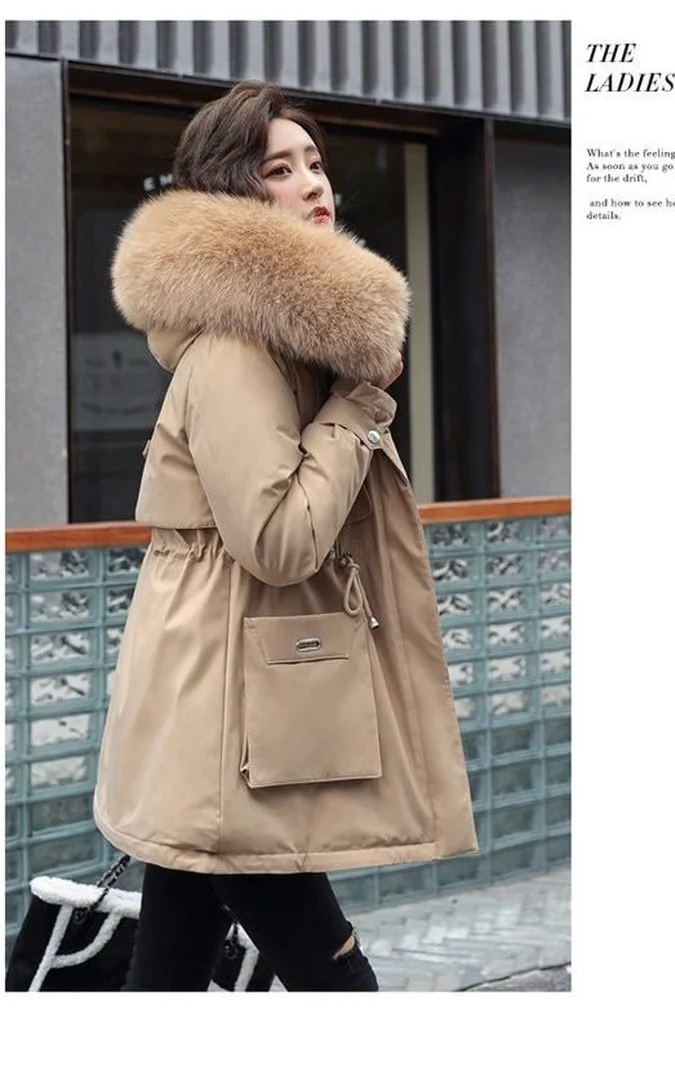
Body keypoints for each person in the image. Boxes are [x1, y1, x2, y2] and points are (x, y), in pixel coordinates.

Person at [93, 80, 478, 992]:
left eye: (316, 163)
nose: (313, 184)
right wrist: (360, 401)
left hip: (241, 714)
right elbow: (278, 539)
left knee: (171, 964)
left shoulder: (284, 344)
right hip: (235, 725)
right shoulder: (238, 350)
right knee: (332, 976)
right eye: (278, 169)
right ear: (232, 196)